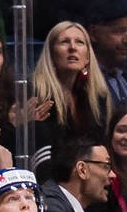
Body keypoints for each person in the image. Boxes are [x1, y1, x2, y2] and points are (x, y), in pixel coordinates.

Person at [30, 18, 111, 165]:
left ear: (87, 57)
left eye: (79, 42)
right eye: (64, 42)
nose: (72, 47)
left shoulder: (97, 97)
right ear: (51, 54)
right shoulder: (36, 94)